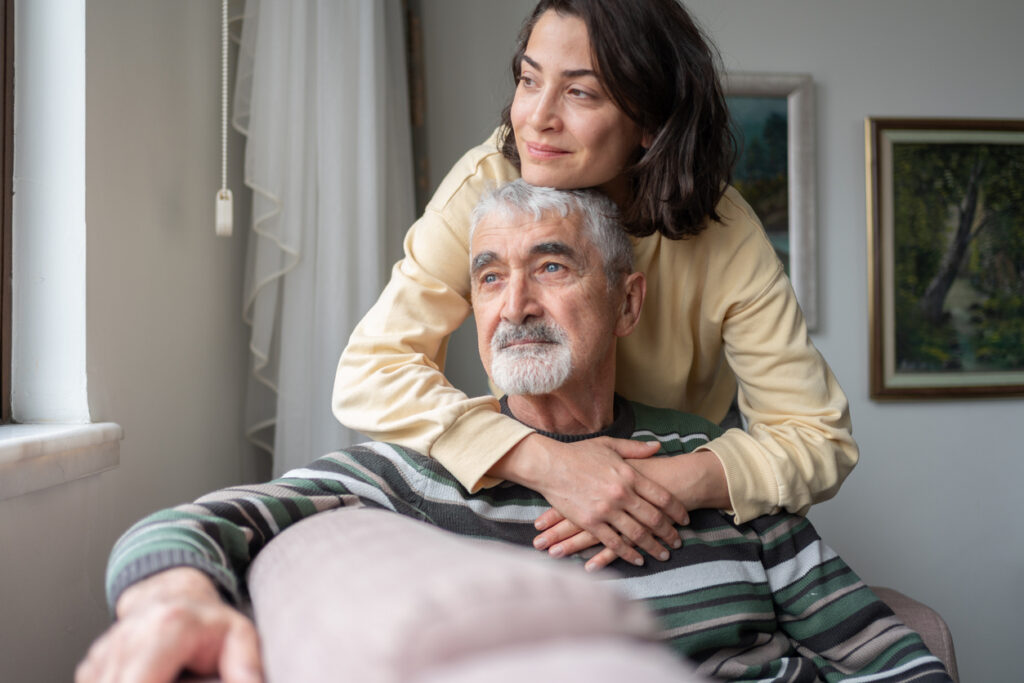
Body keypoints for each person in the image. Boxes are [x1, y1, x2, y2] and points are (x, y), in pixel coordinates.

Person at [79, 182, 949, 683]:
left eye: (553, 266)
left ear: (629, 302)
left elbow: (885, 659)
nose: (515, 304)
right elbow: (186, 523)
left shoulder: (721, 473)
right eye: (489, 277)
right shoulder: (417, 476)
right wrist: (177, 601)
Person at [333, 0, 859, 571]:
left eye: (580, 93)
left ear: (651, 121)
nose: (536, 118)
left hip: (673, 507)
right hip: (526, 482)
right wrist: (545, 463)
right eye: (529, 80)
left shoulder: (726, 234)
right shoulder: (483, 185)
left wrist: (656, 485)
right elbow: (370, 371)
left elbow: (817, 437)